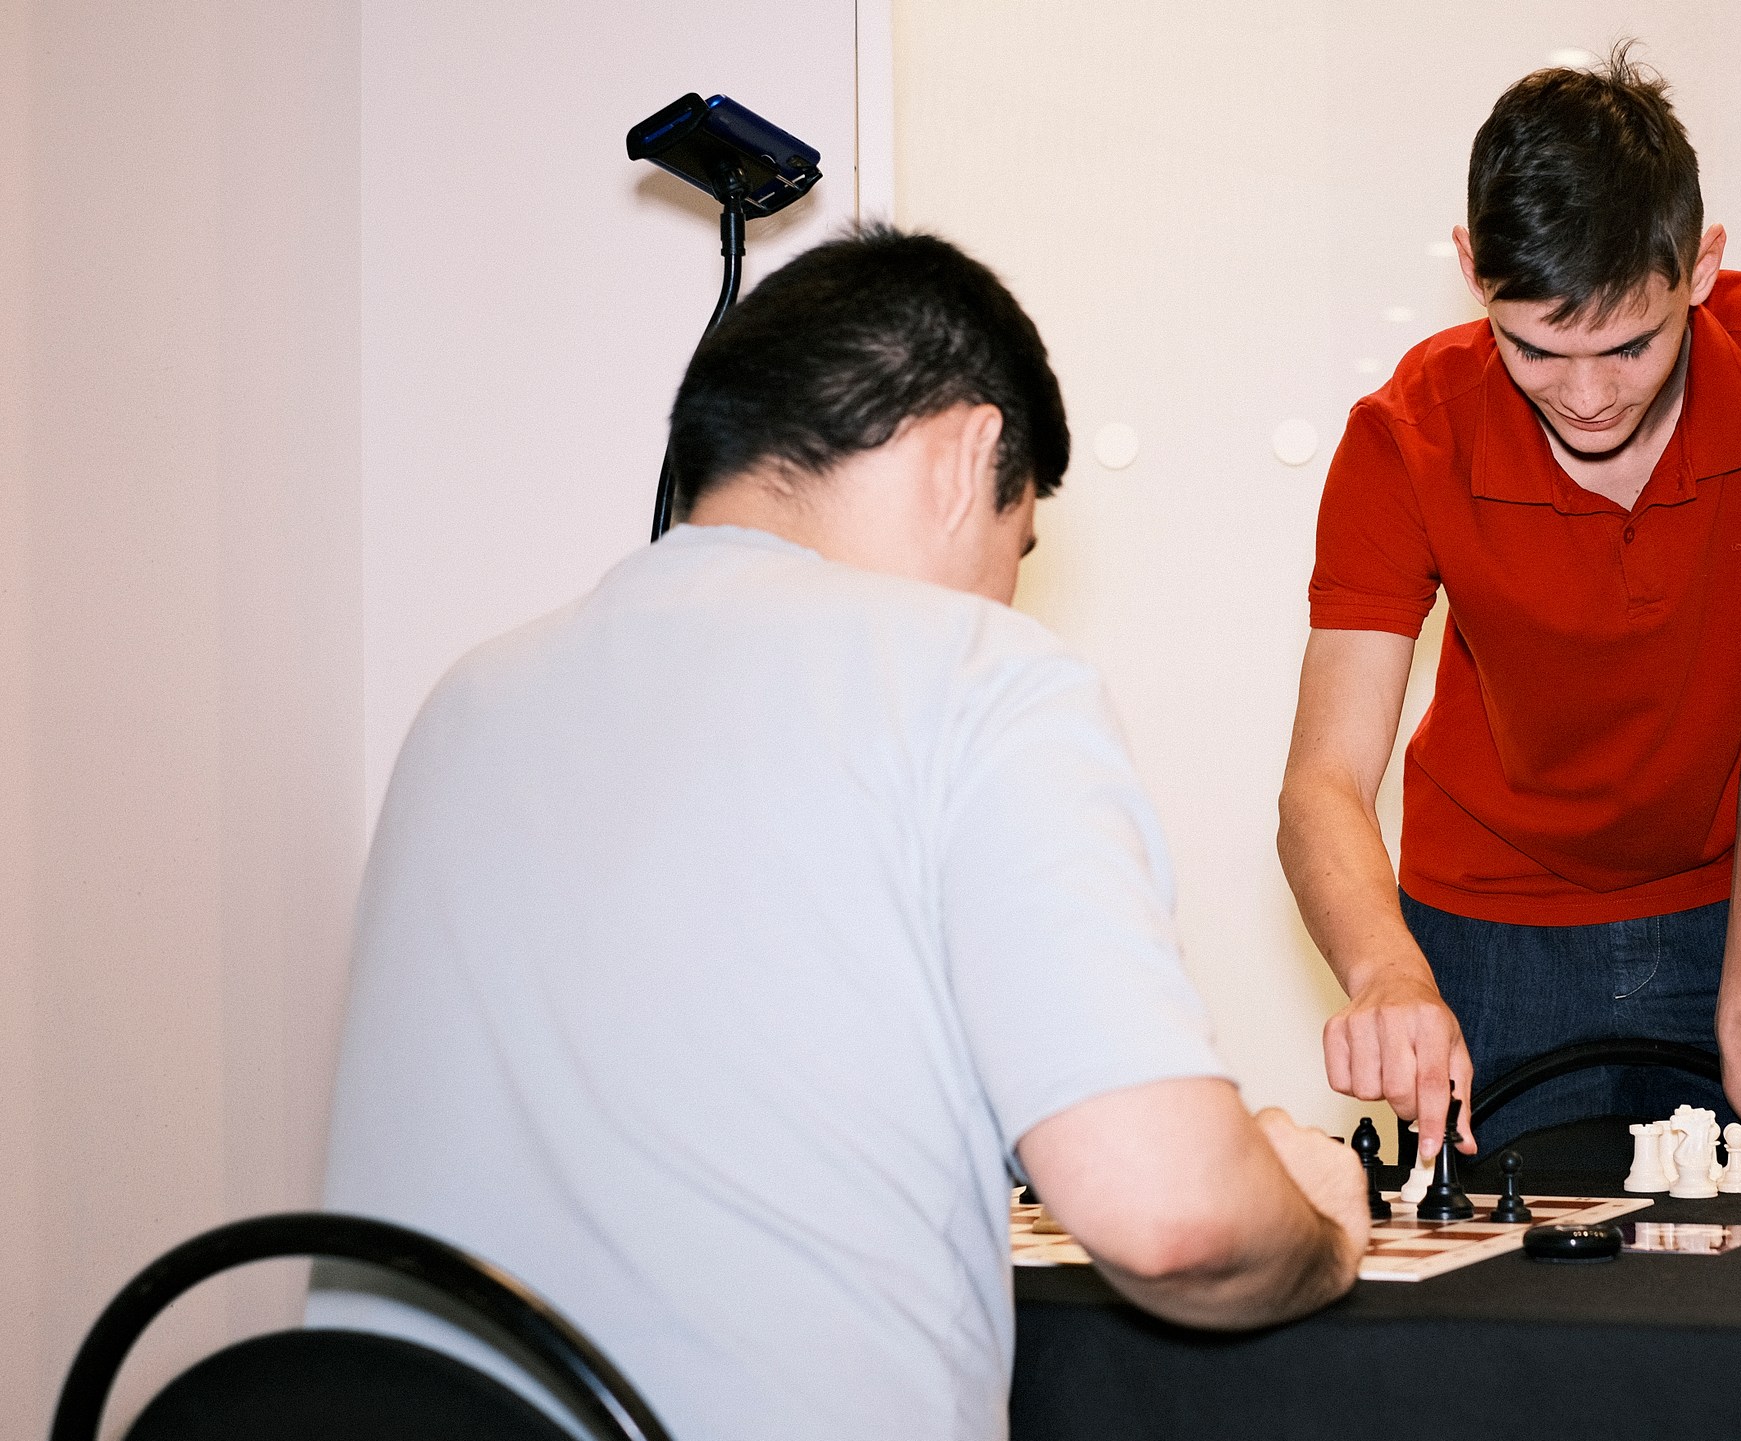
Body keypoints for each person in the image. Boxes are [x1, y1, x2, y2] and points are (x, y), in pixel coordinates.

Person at [312, 224, 1367, 1441]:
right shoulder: (979, 676)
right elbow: (1174, 1216)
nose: (1005, 589)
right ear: (967, 455)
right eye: (1017, 545)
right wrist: (1317, 1219)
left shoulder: (470, 699)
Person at [1279, 49, 1741, 1176]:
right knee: (1494, 1272)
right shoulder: (1406, 431)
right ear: (1471, 270)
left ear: (1701, 268)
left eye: (1630, 345)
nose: (1587, 394)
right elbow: (1323, 779)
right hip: (1490, 917)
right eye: (1535, 347)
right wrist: (1389, 970)